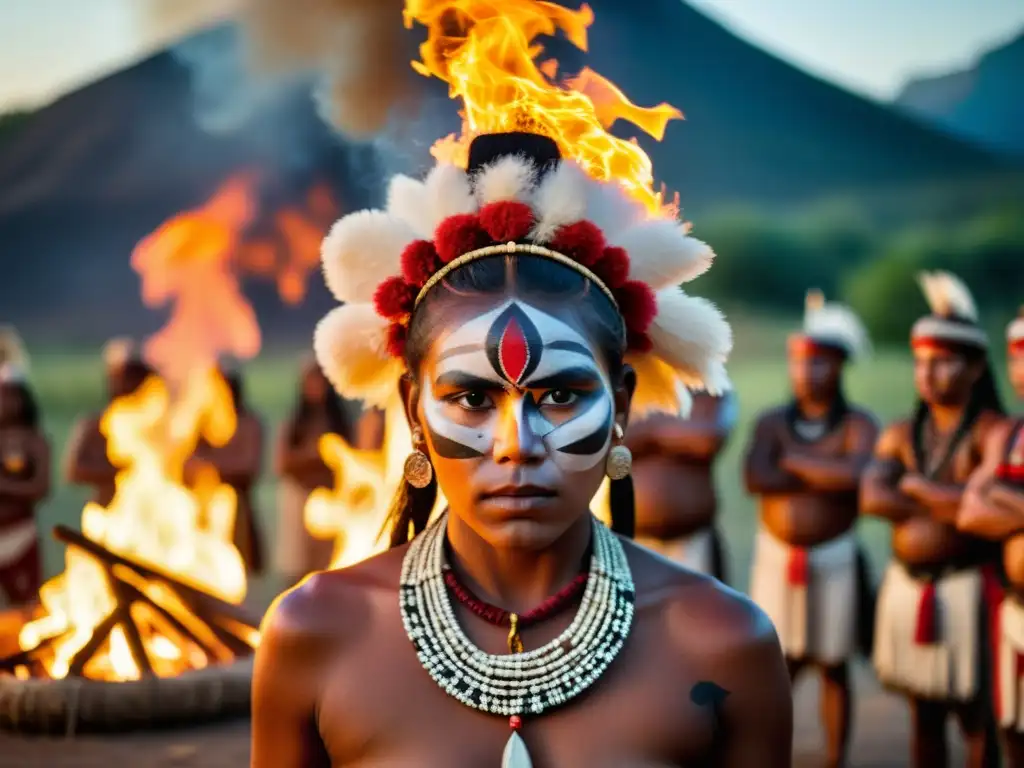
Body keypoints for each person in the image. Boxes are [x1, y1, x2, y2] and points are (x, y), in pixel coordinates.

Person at [250, 131, 791, 767]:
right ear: (412, 413)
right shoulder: (314, 633)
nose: (518, 444)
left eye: (560, 395)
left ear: (620, 406)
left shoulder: (724, 646)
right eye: (473, 400)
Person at [862, 271, 1004, 768]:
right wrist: (954, 500)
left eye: (943, 362)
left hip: (970, 593)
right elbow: (872, 497)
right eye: (921, 362)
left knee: (977, 717)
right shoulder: (902, 431)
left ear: (976, 366)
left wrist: (919, 486)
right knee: (923, 715)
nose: (928, 374)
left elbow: (982, 511)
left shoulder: (993, 432)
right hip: (910, 585)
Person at [743, 289, 877, 768]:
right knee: (778, 665)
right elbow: (757, 476)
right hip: (779, 557)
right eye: (800, 363)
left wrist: (795, 460)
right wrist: (825, 467)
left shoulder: (859, 424)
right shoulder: (771, 421)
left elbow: (858, 475)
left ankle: (835, 758)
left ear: (840, 367)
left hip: (834, 556)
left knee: (834, 664)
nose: (807, 373)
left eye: (818, 364)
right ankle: (770, 755)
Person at [958, 307, 1024, 766]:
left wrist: (1001, 495)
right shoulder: (1009, 432)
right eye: (1018, 357)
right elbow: (969, 511)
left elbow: (986, 498)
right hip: (1015, 603)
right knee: (1011, 728)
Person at [626, 389, 736, 582]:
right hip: (629, 541)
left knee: (701, 609)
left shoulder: (708, 386)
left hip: (693, 541)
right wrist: (675, 425)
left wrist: (649, 425)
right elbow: (609, 441)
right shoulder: (621, 381)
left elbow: (706, 438)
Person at [274, 354, 365, 582]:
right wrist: (312, 455)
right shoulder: (295, 421)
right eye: (310, 380)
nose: (314, 386)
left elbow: (351, 460)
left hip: (332, 497)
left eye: (319, 380)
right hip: (300, 495)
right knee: (298, 561)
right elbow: (282, 461)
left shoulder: (340, 422)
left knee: (326, 562)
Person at [191, 364, 265, 574]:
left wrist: (210, 466)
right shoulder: (197, 424)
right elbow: (187, 463)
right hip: (202, 504)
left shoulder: (249, 423)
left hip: (238, 503)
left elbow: (247, 466)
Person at [63, 338, 153, 507]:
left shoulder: (157, 425)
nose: (128, 384)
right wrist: (123, 471)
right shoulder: (95, 425)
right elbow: (74, 470)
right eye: (123, 377)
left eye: (134, 377)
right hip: (107, 512)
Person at [0, 329, 50, 608]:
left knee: (28, 608)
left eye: (11, 396)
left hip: (21, 535)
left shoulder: (34, 441)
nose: (5, 404)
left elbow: (41, 488)